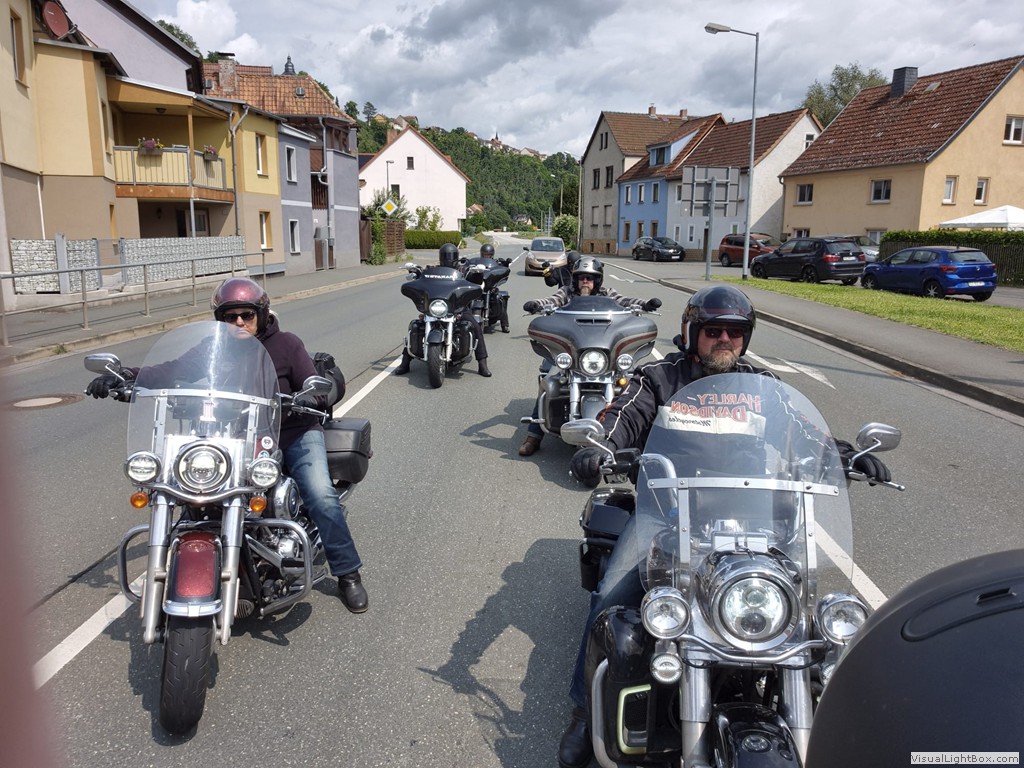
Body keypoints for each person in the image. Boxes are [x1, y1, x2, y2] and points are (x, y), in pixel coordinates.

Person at [555, 284, 892, 768]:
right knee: (611, 594)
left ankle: (805, 696)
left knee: (804, 614)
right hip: (667, 515)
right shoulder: (659, 379)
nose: (724, 340)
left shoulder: (763, 386)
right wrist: (600, 445)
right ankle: (583, 712)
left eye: (734, 332)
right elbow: (619, 418)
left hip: (753, 517)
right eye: (713, 331)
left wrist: (845, 455)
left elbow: (806, 432)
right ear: (693, 332)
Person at [86, 277, 369, 613]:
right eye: (230, 316)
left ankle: (348, 574)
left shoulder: (287, 344)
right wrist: (126, 376)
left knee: (321, 496)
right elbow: (171, 369)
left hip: (293, 432)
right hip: (236, 437)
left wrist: (309, 395)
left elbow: (312, 382)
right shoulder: (214, 348)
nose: (238, 322)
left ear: (261, 315)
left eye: (246, 315)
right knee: (195, 492)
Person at [517, 256, 662, 457]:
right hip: (572, 348)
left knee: (629, 384)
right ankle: (533, 436)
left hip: (602, 349)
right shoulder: (567, 293)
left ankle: (635, 433)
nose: (585, 281)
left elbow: (626, 301)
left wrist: (645, 304)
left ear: (597, 280)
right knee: (549, 377)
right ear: (575, 279)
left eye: (590, 278)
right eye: (581, 277)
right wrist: (536, 304)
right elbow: (551, 301)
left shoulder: (608, 294)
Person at [394, 243, 492, 377]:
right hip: (436, 307)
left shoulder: (463, 270)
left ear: (456, 257)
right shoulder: (434, 271)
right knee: (416, 327)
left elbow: (474, 281)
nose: (448, 259)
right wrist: (414, 271)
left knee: (475, 326)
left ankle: (482, 364)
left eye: (450, 256)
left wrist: (478, 273)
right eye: (445, 256)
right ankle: (405, 362)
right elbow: (422, 277)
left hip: (459, 309)